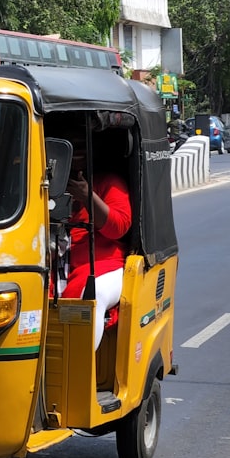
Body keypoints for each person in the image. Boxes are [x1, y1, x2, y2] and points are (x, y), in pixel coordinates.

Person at [62, 143, 132, 351]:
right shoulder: (44, 184)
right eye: (71, 141)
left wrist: (87, 196)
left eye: (82, 142)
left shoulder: (109, 182)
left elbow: (119, 228)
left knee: (94, 295)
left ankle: (78, 371)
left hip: (102, 265)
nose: (78, 149)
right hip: (57, 266)